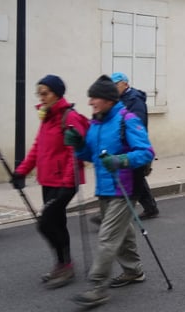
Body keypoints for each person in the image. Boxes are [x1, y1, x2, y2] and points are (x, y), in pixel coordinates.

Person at [65, 75, 155, 308]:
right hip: (104, 188)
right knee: (122, 233)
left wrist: (121, 160)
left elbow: (146, 152)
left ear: (108, 99)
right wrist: (78, 145)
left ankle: (98, 287)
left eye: (94, 98)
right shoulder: (96, 123)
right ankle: (134, 271)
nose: (90, 102)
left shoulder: (127, 119)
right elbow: (90, 155)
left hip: (126, 188)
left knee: (107, 237)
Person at [11, 75, 89, 288]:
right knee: (56, 223)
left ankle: (66, 265)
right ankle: (63, 264)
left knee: (46, 223)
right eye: (39, 94)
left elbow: (75, 154)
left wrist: (67, 184)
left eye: (45, 93)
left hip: (65, 182)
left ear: (57, 93)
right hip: (49, 180)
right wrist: (21, 172)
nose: (41, 97)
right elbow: (38, 147)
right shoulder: (47, 117)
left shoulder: (69, 117)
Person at [111, 72, 159, 219]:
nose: (113, 88)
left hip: (134, 145)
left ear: (125, 84)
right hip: (123, 145)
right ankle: (150, 208)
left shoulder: (135, 100)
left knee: (135, 177)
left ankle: (111, 214)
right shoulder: (118, 100)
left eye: (116, 85)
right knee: (135, 177)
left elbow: (138, 123)